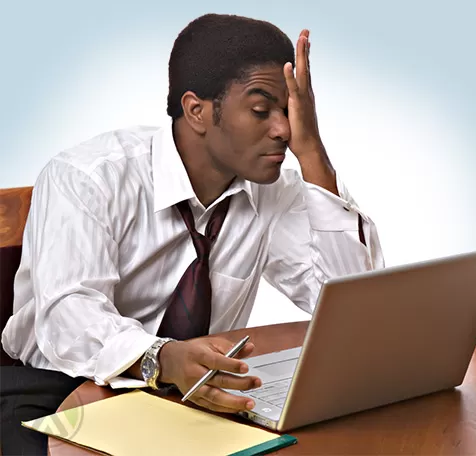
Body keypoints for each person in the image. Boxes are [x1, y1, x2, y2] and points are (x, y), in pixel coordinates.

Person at [0, 13, 384, 455]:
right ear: (197, 110)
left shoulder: (274, 190)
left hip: (188, 398)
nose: (283, 130)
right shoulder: (88, 177)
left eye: (290, 110)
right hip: (53, 389)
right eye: (262, 110)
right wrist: (160, 358)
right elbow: (68, 318)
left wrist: (313, 150)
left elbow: (352, 309)